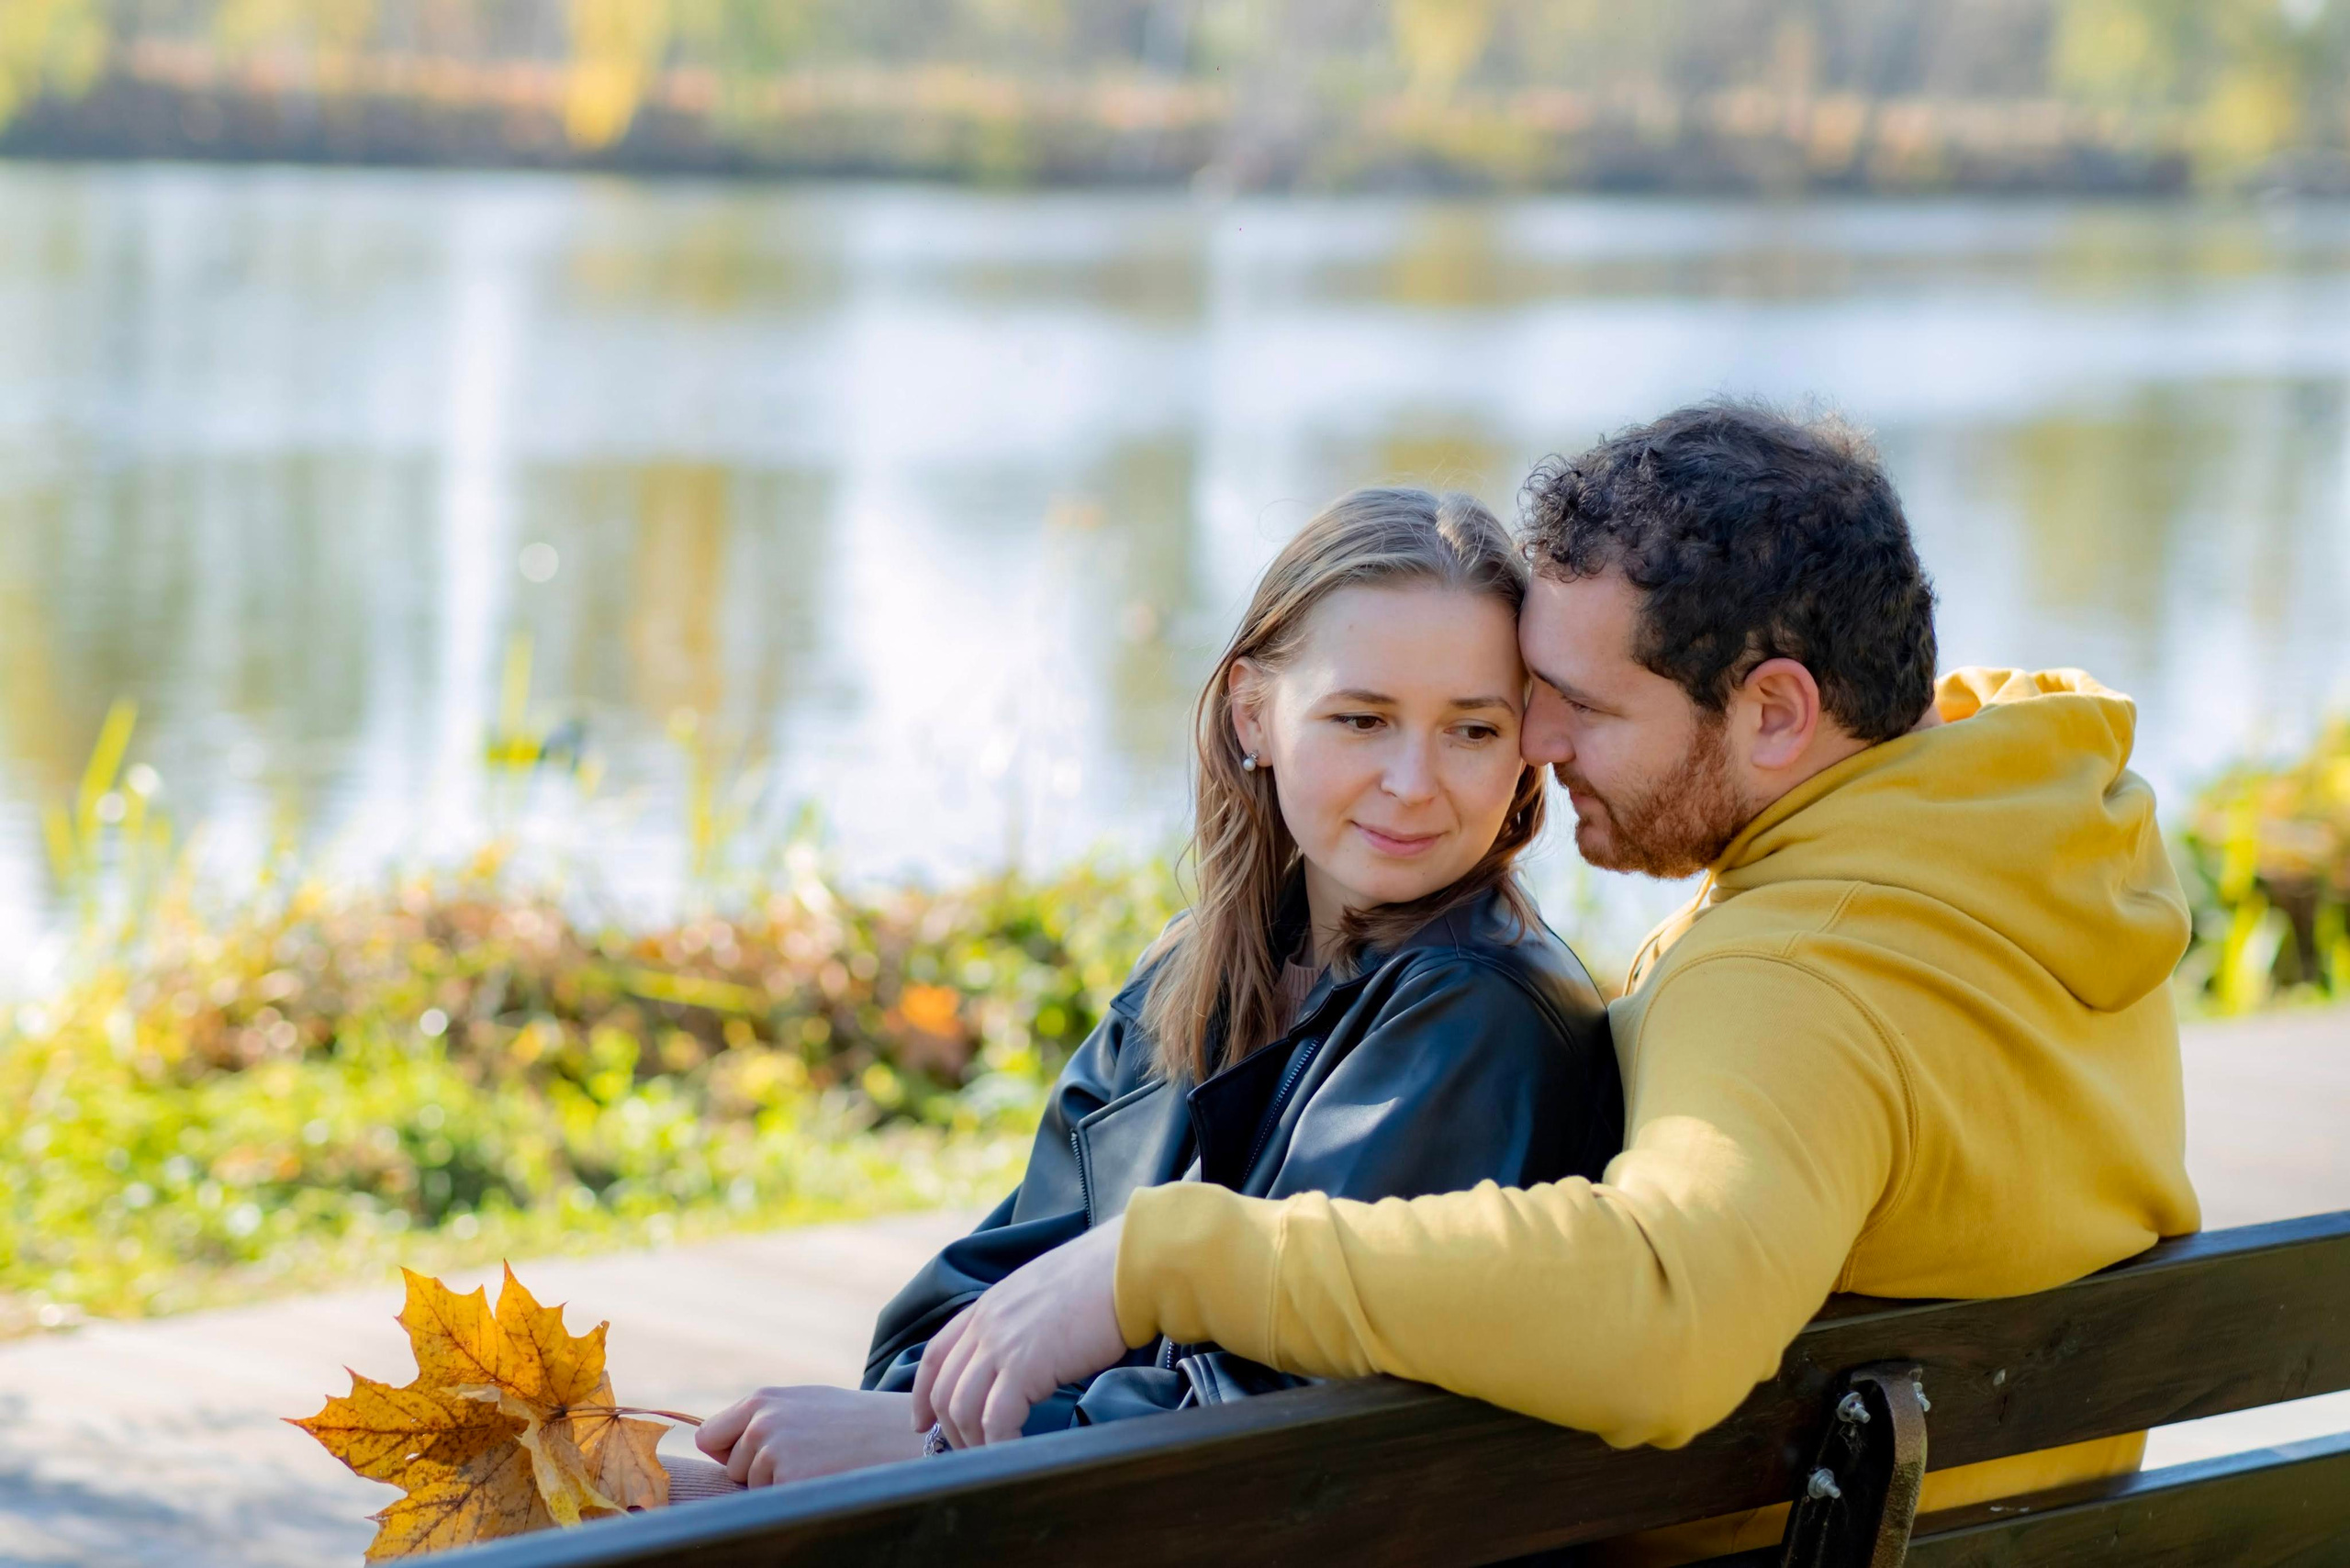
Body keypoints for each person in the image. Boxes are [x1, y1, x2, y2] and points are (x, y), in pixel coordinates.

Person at [910, 401, 2201, 1563]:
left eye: (1584, 704)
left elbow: (1667, 1312)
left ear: (1774, 712)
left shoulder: (1794, 974)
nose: (1535, 740)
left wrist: (1172, 1256)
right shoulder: (2020, 842)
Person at [695, 486, 1622, 1486]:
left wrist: (928, 1444)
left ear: (1524, 749)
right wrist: (911, 1417)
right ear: (1253, 715)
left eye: (1472, 731)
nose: (1412, 780)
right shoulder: (1198, 971)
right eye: (1362, 719)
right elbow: (966, 1305)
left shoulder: (1479, 1012)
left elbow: (1290, 1431)